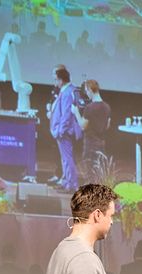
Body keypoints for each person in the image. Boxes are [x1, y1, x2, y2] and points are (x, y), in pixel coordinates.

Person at [49, 65, 82, 193]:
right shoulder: (67, 90)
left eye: (55, 79)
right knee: (66, 159)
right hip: (64, 131)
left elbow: (66, 114)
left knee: (68, 159)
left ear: (61, 80)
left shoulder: (67, 92)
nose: (54, 82)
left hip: (65, 132)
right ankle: (66, 181)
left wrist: (60, 131)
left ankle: (72, 185)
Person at [71, 79, 111, 181]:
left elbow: (83, 126)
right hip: (102, 144)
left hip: (90, 145)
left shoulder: (89, 108)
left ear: (89, 89)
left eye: (87, 91)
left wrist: (76, 112)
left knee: (89, 173)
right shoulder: (107, 107)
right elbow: (107, 126)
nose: (87, 94)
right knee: (99, 172)